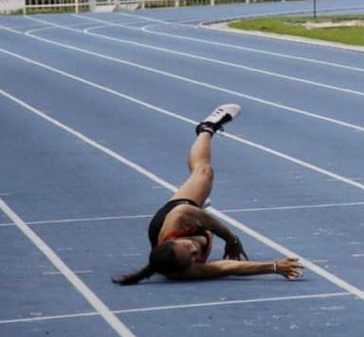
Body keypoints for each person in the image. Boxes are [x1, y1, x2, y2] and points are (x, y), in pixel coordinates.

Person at [114, 105, 304, 284]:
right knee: (201, 222)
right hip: (187, 232)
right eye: (193, 258)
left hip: (180, 216)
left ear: (174, 241)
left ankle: (207, 128)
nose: (195, 251)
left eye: (188, 248)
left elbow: (210, 222)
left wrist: (232, 239)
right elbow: (225, 268)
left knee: (204, 172)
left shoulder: (179, 217)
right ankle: (199, 211)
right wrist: (274, 266)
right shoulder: (183, 271)